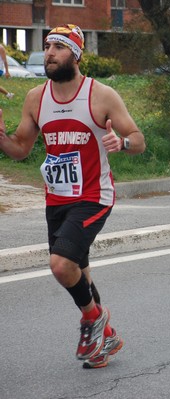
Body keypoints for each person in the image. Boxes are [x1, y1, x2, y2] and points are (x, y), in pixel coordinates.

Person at [0, 24, 145, 368]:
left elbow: (138, 139)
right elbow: (20, 148)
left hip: (94, 196)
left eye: (59, 47)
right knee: (79, 271)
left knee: (61, 264)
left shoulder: (101, 95)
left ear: (76, 55)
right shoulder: (37, 97)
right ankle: (106, 336)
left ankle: (93, 319)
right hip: (56, 200)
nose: (49, 53)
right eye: (48, 46)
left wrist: (122, 143)